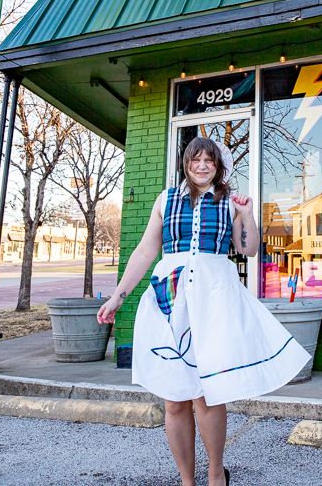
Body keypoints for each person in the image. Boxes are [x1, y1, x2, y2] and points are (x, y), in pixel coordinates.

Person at [97, 136, 308, 486]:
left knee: (207, 395)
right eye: (196, 159)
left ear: (218, 166)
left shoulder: (229, 201)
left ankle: (214, 474)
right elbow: (145, 253)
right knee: (175, 399)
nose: (202, 166)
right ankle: (186, 480)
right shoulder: (166, 200)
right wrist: (118, 296)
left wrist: (247, 215)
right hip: (172, 302)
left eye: (209, 160)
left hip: (215, 301)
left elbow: (249, 249)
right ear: (186, 162)